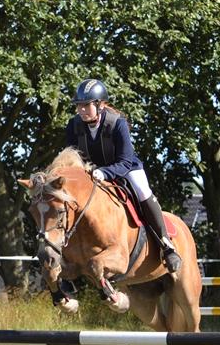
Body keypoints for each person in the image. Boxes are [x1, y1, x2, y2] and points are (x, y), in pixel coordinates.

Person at [64, 77, 182, 273]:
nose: (81, 110)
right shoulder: (73, 126)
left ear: (100, 105)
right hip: (92, 173)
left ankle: (166, 245)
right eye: (79, 106)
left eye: (86, 105)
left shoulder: (117, 124)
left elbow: (126, 161)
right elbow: (72, 156)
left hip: (125, 169)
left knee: (142, 191)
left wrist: (105, 172)